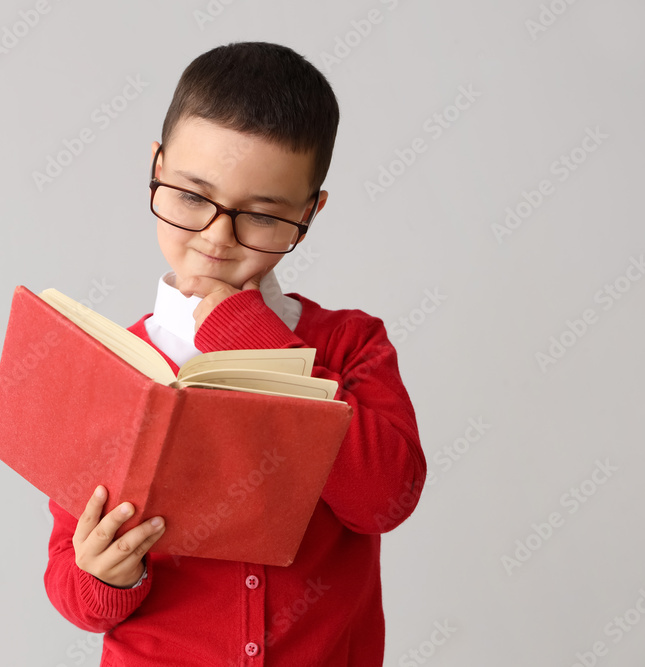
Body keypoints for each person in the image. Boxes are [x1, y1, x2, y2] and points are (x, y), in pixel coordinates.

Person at [43, 41, 426, 666]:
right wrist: (105, 576)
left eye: (261, 215)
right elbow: (70, 586)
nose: (218, 237)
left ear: (309, 210)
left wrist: (253, 338)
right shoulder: (107, 368)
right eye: (192, 197)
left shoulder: (351, 344)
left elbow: (385, 499)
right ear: (157, 168)